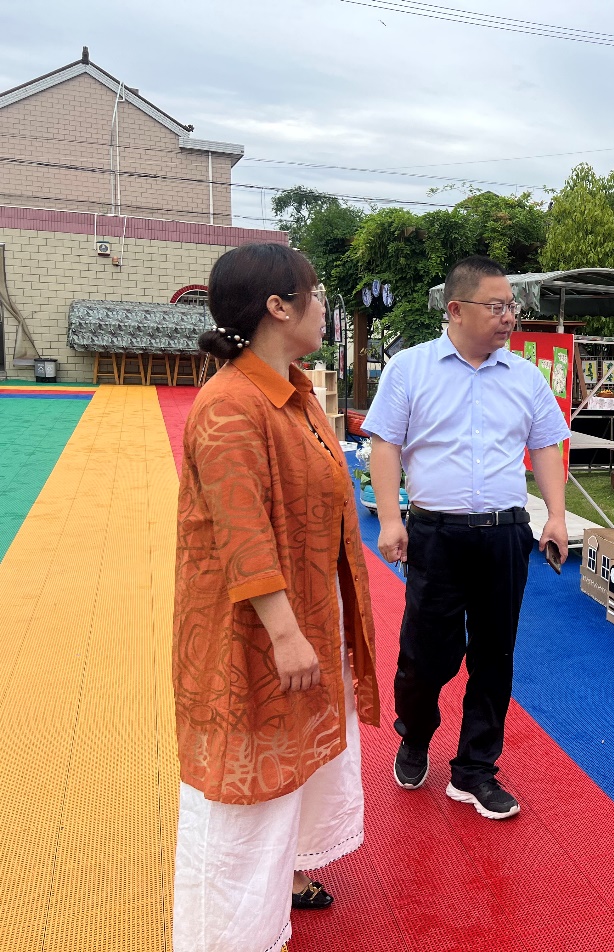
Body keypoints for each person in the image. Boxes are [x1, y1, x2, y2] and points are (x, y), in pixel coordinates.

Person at [171, 243, 380, 952]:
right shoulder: (230, 403)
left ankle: (287, 880)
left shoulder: (291, 388)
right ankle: (226, 935)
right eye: (315, 293)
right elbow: (242, 531)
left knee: (296, 760)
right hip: (253, 632)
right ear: (278, 308)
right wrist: (287, 633)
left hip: (304, 614)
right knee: (245, 785)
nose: (324, 306)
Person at [363, 255, 569, 820]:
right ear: (456, 310)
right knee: (425, 655)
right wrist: (389, 520)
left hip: (504, 534)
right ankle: (416, 734)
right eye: (497, 307)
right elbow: (385, 445)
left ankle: (475, 769)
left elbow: (546, 445)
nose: (509, 318)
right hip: (436, 534)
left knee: (494, 656)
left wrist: (556, 514)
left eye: (512, 307)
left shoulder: (525, 376)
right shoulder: (411, 369)